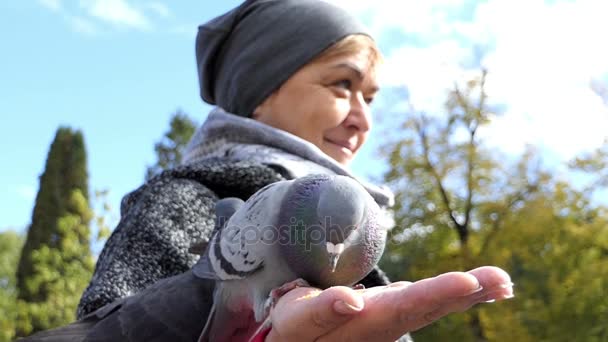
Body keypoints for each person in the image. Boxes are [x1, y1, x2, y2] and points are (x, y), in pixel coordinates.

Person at [71, 0, 514, 341]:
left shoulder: (357, 230)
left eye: (371, 97)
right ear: (260, 91)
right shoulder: (184, 200)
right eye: (342, 84)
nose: (364, 118)